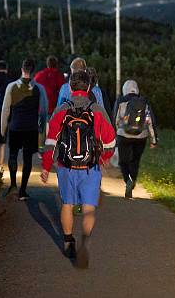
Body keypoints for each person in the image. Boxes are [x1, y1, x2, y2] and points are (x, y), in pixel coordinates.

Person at [41, 70, 115, 269]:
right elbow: (110, 140)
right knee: (89, 208)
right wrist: (104, 158)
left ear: (71, 88)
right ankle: (86, 240)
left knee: (67, 204)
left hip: (66, 167)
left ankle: (68, 241)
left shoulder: (61, 110)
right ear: (89, 87)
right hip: (91, 167)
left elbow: (50, 142)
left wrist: (46, 167)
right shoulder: (97, 110)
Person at [1, 59, 48, 200]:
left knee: (13, 155)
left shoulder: (11, 87)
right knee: (28, 159)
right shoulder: (40, 89)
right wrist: (41, 130)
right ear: (33, 72)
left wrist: (3, 129)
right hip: (31, 128)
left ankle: (13, 186)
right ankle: (23, 191)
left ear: (21, 69)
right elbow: (44, 112)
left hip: (15, 127)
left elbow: (5, 109)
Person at [112, 80, 159, 199]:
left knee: (123, 161)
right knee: (135, 161)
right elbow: (150, 122)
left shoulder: (121, 101)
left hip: (124, 135)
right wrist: (153, 140)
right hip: (140, 137)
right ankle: (132, 181)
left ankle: (127, 179)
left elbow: (115, 119)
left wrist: (116, 135)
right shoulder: (144, 102)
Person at [34, 55, 66, 121]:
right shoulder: (59, 75)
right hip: (54, 109)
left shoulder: (39, 75)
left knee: (42, 130)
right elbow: (63, 92)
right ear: (56, 64)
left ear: (47, 64)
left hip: (41, 108)